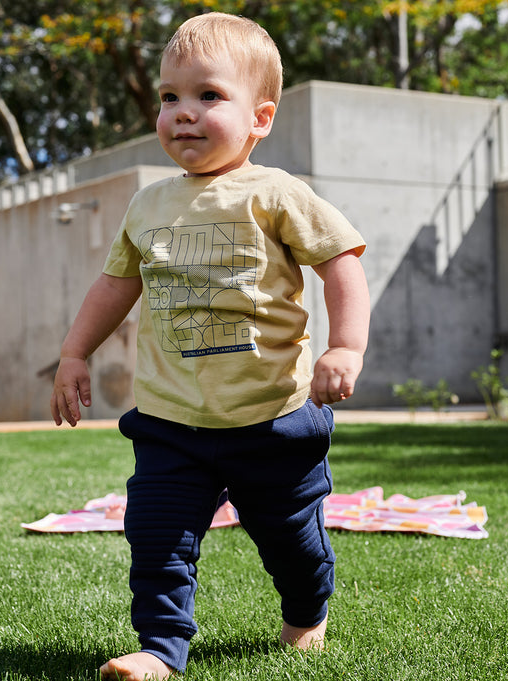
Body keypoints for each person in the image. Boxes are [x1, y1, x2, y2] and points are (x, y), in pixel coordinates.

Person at [50, 12, 370, 681]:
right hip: (171, 422)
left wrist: (345, 347)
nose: (182, 113)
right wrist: (75, 352)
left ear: (261, 117)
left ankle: (308, 611)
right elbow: (114, 286)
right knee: (157, 536)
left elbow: (342, 261)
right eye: (169, 97)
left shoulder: (275, 193)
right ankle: (161, 648)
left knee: (290, 540)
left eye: (208, 96)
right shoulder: (148, 204)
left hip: (274, 417)